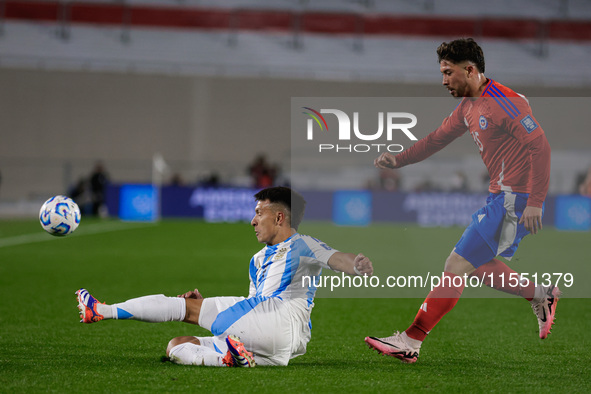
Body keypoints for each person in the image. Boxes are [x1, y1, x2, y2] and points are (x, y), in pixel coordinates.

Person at [366, 38, 558, 363]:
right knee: (477, 266)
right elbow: (434, 140)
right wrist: (398, 161)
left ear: (469, 70)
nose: (443, 81)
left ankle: (410, 340)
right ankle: (541, 295)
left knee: (456, 265)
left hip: (517, 200)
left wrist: (536, 201)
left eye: (448, 72)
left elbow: (541, 147)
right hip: (502, 196)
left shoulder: (504, 102)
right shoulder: (469, 107)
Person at [77, 186, 373, 367]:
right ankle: (230, 359)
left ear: (280, 218)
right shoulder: (257, 261)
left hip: (282, 321)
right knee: (178, 345)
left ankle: (102, 310)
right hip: (276, 345)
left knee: (186, 309)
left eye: (260, 213)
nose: (253, 220)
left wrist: (356, 263)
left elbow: (336, 259)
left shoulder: (303, 244)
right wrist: (209, 305)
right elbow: (253, 304)